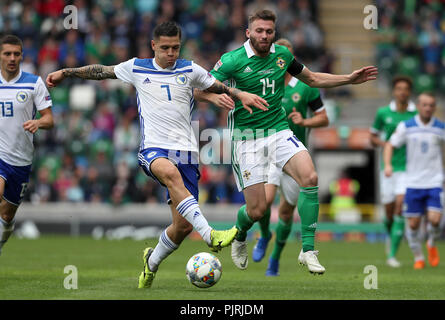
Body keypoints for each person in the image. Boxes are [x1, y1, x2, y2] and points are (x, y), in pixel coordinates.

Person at [46, 21, 268, 289]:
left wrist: (238, 94)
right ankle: (211, 235)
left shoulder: (189, 69)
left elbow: (216, 85)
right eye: (165, 48)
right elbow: (101, 71)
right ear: (153, 46)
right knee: (170, 174)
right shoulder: (137, 67)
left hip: (185, 152)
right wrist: (65, 72)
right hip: (153, 149)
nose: (171, 53)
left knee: (182, 227)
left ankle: (151, 262)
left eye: (175, 47)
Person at [195, 9, 378, 274]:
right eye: (259, 31)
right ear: (249, 33)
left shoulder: (282, 56)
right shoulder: (232, 60)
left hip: (279, 131)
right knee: (257, 211)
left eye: (269, 31)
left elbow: (312, 78)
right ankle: (241, 233)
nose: (265, 36)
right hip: (248, 139)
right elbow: (200, 89)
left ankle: (308, 250)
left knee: (310, 177)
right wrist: (217, 98)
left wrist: (348, 78)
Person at [247, 38, 329, 276]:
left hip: (294, 155)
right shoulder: (262, 83)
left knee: (285, 213)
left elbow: (324, 118)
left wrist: (305, 121)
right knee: (262, 206)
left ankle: (275, 257)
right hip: (268, 153)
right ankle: (263, 235)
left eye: (288, 59)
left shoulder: (304, 87)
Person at [0, 35, 54, 255]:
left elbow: (50, 119)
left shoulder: (34, 82)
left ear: (22, 55)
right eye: (7, 54)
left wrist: (38, 122)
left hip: (21, 160)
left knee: (7, 215)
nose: (12, 58)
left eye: (16, 54)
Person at [383, 92, 443, 269]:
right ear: (418, 106)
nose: (428, 108)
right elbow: (389, 144)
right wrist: (387, 164)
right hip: (413, 182)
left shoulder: (440, 127)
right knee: (414, 224)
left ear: (434, 107)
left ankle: (431, 243)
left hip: (435, 181)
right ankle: (418, 257)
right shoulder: (407, 126)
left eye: (431, 105)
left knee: (435, 220)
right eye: (424, 105)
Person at [370, 76, 417, 268]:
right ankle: (391, 234)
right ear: (394, 91)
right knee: (389, 212)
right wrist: (385, 143)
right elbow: (372, 138)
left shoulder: (416, 115)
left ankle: (392, 255)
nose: (402, 92)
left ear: (410, 92)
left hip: (409, 168)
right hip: (388, 168)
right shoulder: (383, 113)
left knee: (400, 207)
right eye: (399, 88)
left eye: (405, 89)